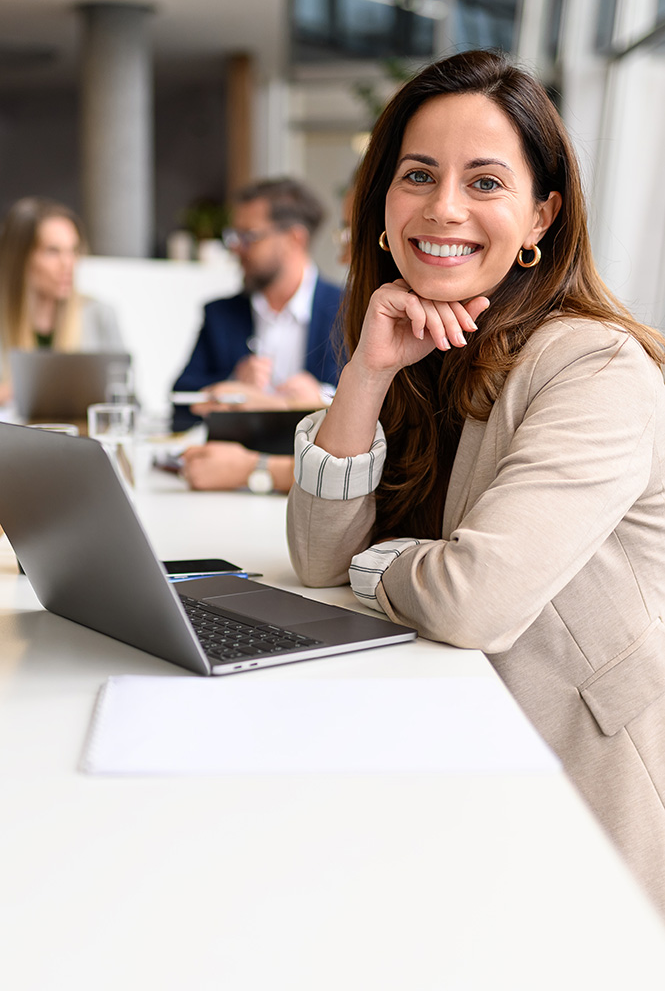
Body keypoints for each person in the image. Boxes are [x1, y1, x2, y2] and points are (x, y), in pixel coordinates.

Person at [286, 50, 665, 917]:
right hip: (460, 749)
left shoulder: (595, 366)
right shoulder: (429, 346)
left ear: (541, 215)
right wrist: (368, 374)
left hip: (587, 795)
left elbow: (472, 602)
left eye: (484, 182)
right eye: (417, 175)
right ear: (381, 206)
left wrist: (378, 565)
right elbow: (313, 556)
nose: (443, 208)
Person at [175, 176, 344, 492]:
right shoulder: (221, 314)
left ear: (295, 239)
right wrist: (233, 382)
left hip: (318, 487)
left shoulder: (350, 310)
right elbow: (180, 402)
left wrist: (318, 398)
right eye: (234, 236)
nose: (237, 248)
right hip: (223, 491)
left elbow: (380, 411)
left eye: (248, 237)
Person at [0, 196, 124, 405]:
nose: (68, 264)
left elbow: (128, 399)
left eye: (73, 251)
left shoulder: (99, 315)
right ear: (21, 258)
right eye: (53, 251)